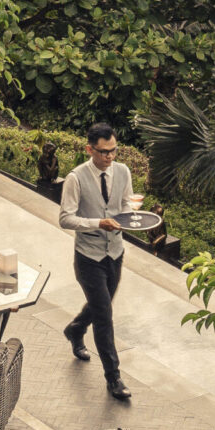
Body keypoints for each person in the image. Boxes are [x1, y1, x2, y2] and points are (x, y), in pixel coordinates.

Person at [59, 121, 136, 404]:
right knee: (104, 315)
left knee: (99, 305)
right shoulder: (76, 178)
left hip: (115, 254)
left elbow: (125, 206)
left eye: (114, 151)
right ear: (90, 149)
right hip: (88, 258)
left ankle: (76, 329)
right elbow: (65, 218)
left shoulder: (123, 172)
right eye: (104, 152)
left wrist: (128, 218)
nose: (110, 157)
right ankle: (113, 377)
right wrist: (97, 223)